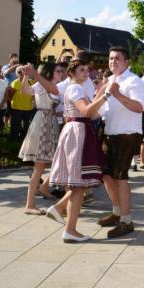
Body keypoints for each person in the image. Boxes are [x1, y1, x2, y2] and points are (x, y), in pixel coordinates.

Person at [46, 60, 109, 243]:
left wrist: (103, 99)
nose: (86, 73)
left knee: (79, 184)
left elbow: (94, 113)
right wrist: (104, 96)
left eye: (87, 70)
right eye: (81, 70)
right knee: (79, 184)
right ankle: (69, 229)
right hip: (78, 131)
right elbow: (86, 111)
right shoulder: (75, 89)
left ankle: (62, 215)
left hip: (79, 130)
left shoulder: (79, 89)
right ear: (71, 73)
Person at [95, 47, 144, 239]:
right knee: (106, 175)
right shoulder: (110, 80)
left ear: (127, 62)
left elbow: (139, 107)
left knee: (120, 177)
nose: (113, 61)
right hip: (110, 132)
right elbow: (103, 109)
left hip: (127, 134)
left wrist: (117, 94)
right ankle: (117, 212)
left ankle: (126, 220)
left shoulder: (134, 81)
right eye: (110, 58)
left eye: (117, 58)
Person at [18, 63, 64, 214]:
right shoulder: (44, 84)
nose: (61, 73)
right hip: (43, 122)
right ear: (50, 72)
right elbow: (25, 91)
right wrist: (26, 75)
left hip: (50, 123)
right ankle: (30, 205)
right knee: (39, 167)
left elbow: (52, 92)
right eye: (57, 71)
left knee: (45, 164)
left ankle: (42, 190)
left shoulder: (51, 85)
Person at [7, 66, 36, 140]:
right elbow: (10, 96)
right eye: (19, 72)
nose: (21, 73)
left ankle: (23, 139)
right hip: (17, 107)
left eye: (23, 71)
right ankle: (14, 139)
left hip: (28, 108)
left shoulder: (31, 82)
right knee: (16, 125)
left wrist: (33, 101)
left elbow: (34, 94)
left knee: (26, 125)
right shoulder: (15, 83)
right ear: (17, 74)